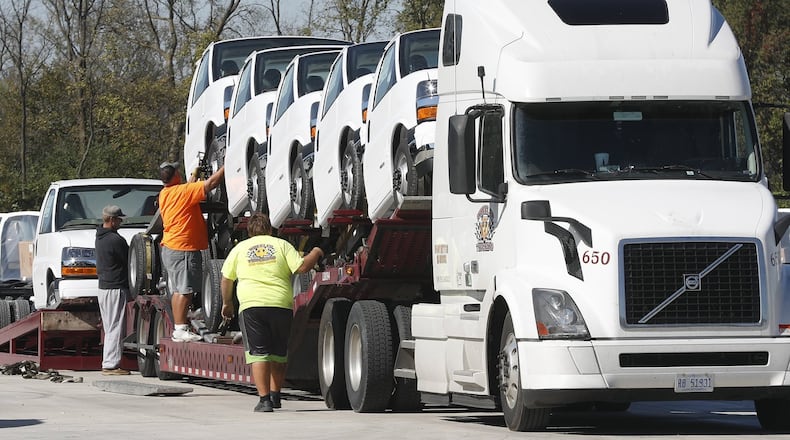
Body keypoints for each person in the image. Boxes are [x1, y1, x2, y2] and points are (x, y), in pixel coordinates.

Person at [220, 213, 323, 412]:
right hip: (280, 304)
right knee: (278, 353)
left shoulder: (240, 249)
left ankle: (264, 400)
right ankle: (276, 395)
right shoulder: (281, 245)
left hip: (252, 305)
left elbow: (226, 279)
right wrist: (317, 251)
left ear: (249, 231)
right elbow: (302, 267)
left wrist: (227, 304)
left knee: (259, 353)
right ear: (270, 229)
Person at [158, 161, 225, 342]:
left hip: (173, 247)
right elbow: (210, 184)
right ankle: (180, 330)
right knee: (185, 290)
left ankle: (179, 328)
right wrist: (226, 167)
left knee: (180, 289)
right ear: (175, 177)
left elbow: (188, 188)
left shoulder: (166, 192)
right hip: (183, 248)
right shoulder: (182, 192)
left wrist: (194, 177)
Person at [95, 205, 131, 375]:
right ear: (111, 220)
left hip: (104, 287)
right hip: (115, 287)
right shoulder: (116, 240)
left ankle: (109, 361)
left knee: (110, 327)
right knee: (115, 327)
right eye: (118, 219)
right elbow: (129, 261)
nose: (120, 222)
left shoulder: (100, 237)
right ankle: (111, 364)